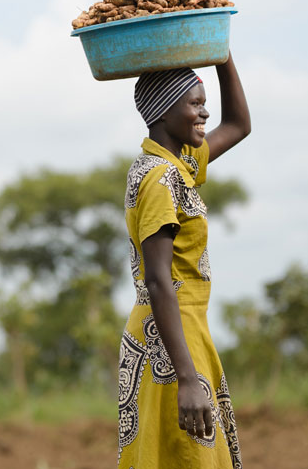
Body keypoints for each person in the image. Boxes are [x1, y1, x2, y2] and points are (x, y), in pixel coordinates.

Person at [118, 52, 250, 468]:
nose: (204, 112)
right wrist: (188, 379)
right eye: (194, 104)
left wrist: (222, 57)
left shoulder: (177, 165)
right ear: (163, 112)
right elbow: (159, 280)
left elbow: (238, 126)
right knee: (191, 457)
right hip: (170, 338)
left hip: (180, 329)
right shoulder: (161, 179)